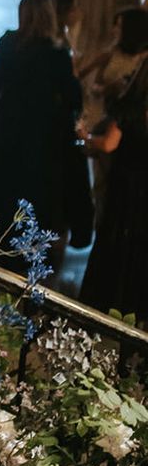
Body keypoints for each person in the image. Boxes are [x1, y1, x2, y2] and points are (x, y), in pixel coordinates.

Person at [0, 0, 89, 274]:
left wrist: (1, 121)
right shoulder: (56, 53)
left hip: (5, 144)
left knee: (0, 202)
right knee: (36, 211)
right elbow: (73, 101)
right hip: (43, 150)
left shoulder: (7, 44)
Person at [79, 56, 148, 322]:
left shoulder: (129, 107)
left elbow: (108, 144)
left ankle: (112, 306)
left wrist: (85, 137)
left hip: (127, 190)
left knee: (118, 247)